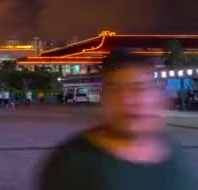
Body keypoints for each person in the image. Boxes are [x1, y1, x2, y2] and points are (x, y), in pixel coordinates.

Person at [39, 54, 196, 190]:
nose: (126, 100)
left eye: (138, 88)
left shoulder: (175, 154)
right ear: (103, 99)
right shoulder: (72, 163)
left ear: (159, 97)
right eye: (115, 90)